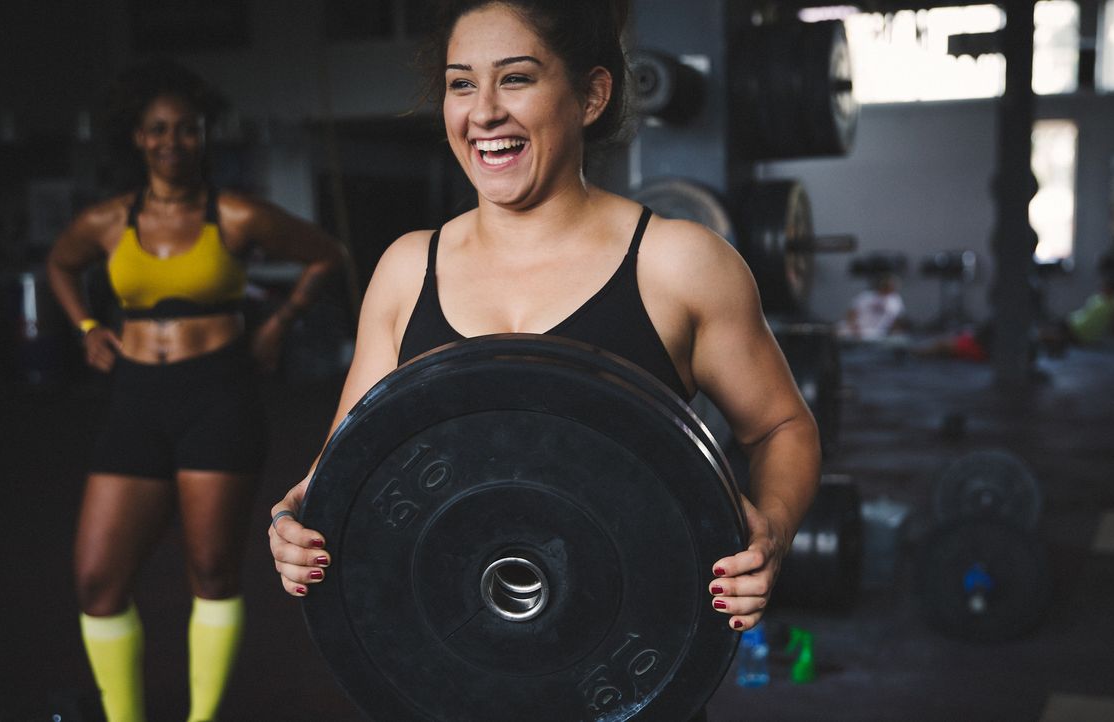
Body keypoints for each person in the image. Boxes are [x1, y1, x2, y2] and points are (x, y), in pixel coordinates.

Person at [267, 0, 820, 711]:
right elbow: (349, 463)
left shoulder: (676, 265)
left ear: (592, 94)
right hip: (462, 678)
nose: (484, 112)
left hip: (623, 674)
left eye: (516, 79)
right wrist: (296, 520)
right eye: (461, 84)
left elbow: (782, 427)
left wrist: (771, 530)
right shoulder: (409, 270)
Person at [46, 58, 344, 722]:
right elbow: (62, 264)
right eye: (158, 130)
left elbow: (327, 252)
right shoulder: (107, 221)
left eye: (186, 130)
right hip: (135, 398)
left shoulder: (235, 215)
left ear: (203, 136)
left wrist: (279, 325)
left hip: (218, 395)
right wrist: (90, 327)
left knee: (211, 574)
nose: (172, 142)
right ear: (138, 137)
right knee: (97, 579)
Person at [838, 272, 906, 341]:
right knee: (840, 331)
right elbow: (851, 312)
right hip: (856, 330)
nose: (890, 287)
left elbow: (897, 319)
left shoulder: (896, 300)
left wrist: (895, 332)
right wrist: (853, 326)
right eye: (887, 285)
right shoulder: (867, 296)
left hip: (877, 333)